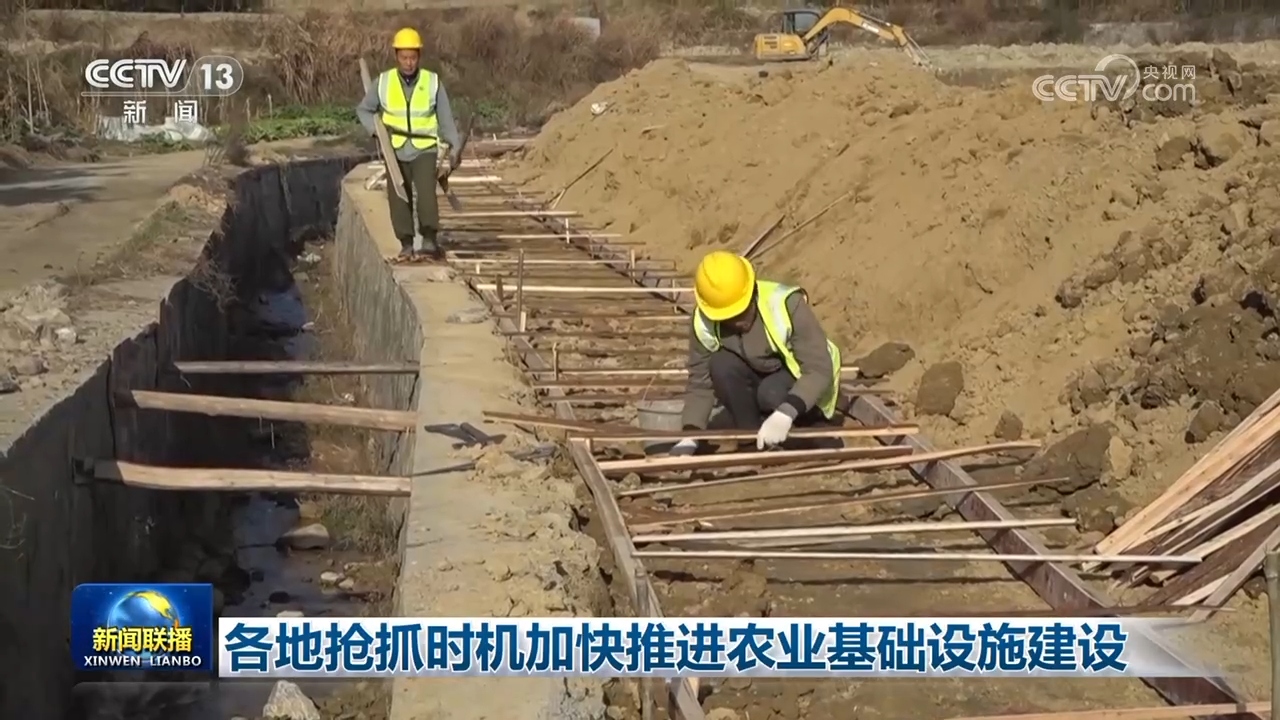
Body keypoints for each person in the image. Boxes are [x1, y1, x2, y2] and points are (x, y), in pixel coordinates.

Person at [670, 250, 843, 455]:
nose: (737, 322)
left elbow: (818, 369)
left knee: (770, 393)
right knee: (721, 364)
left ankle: (809, 428)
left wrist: (785, 413)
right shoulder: (704, 321)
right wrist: (690, 436)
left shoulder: (785, 304)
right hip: (760, 375)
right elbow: (700, 383)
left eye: (742, 311)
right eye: (728, 317)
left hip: (807, 383)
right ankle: (751, 440)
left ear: (752, 291)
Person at [356, 27, 463, 260]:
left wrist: (454, 145)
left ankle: (429, 240)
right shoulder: (383, 83)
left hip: (424, 148)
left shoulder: (432, 82)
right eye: (404, 57)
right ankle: (406, 244)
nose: (408, 63)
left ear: (419, 57)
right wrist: (376, 131)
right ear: (396, 56)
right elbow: (364, 110)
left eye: (412, 57)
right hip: (394, 148)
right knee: (399, 197)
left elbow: (445, 118)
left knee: (426, 194)